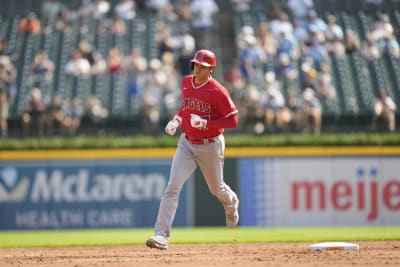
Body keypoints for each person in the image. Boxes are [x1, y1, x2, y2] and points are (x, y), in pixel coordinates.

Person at [146, 50, 239, 250]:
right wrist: (177, 120)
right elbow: (185, 107)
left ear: (211, 69)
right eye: (196, 65)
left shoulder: (218, 91)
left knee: (216, 189)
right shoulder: (187, 82)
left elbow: (233, 120)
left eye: (202, 66)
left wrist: (206, 123)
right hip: (186, 143)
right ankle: (161, 235)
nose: (197, 69)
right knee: (172, 187)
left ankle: (231, 202)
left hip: (210, 144)